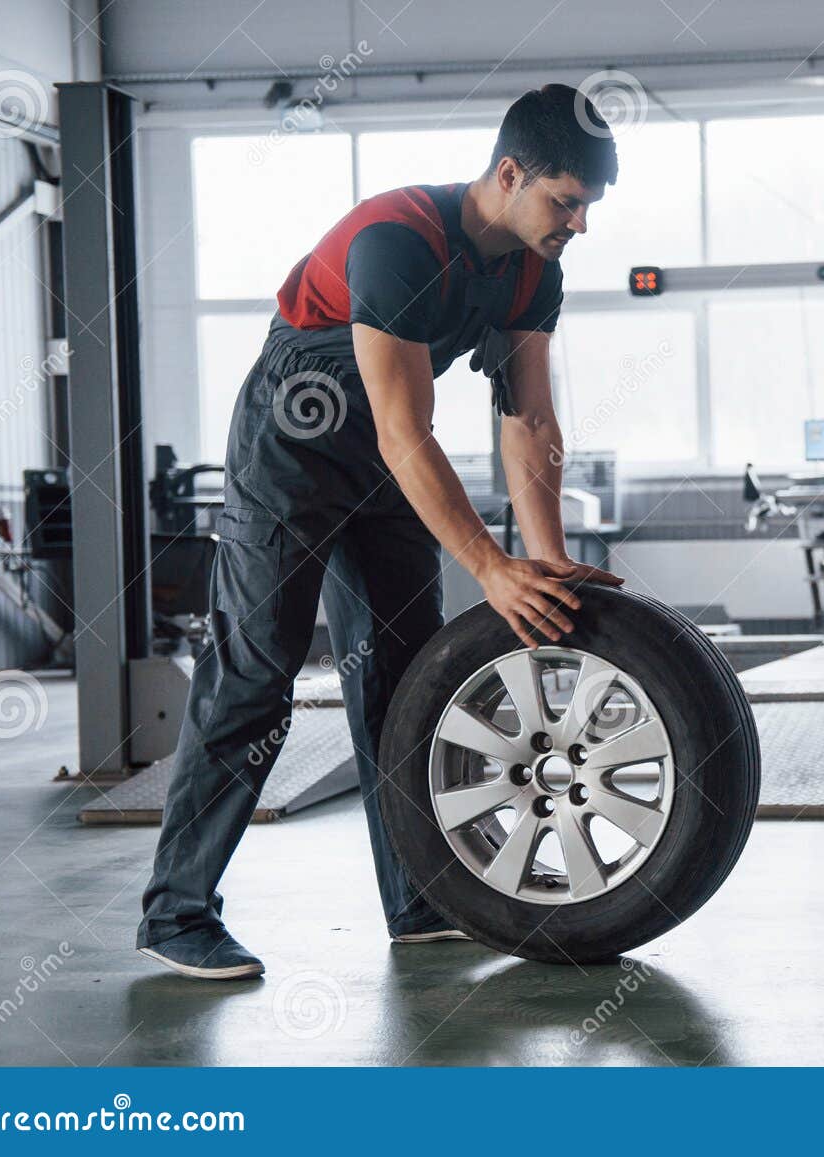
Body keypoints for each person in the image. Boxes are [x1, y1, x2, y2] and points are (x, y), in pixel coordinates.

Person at [136, 84, 622, 980]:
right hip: (297, 436)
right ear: (509, 174)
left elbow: (528, 419)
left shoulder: (529, 268)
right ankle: (177, 912)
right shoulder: (398, 239)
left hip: (394, 452)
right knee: (255, 674)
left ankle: (419, 898)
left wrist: (545, 560)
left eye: (589, 207)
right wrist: (487, 564)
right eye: (566, 201)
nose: (578, 224)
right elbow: (407, 430)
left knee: (405, 674)